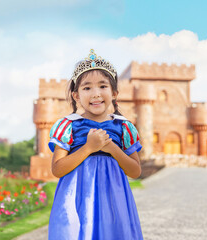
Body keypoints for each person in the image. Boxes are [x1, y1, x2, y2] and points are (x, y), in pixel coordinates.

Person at [47, 49, 143, 240]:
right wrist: (89, 148)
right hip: (77, 199)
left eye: (103, 86)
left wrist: (111, 148)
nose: (96, 94)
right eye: (87, 88)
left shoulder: (123, 126)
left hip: (113, 200)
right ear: (76, 95)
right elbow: (57, 169)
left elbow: (135, 171)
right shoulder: (69, 125)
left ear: (114, 93)